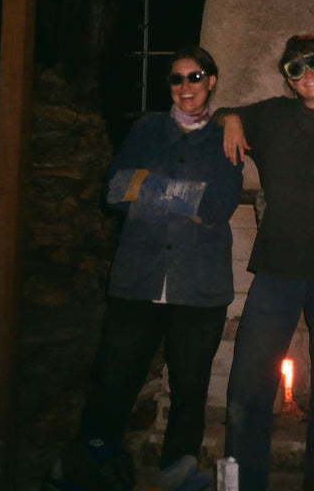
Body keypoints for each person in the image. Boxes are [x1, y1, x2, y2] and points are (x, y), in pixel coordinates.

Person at [46, 45, 243, 491]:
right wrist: (183, 195)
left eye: (195, 77)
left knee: (190, 391)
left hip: (199, 288)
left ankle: (178, 472)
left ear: (211, 81)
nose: (185, 87)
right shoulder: (146, 129)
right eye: (176, 79)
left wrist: (148, 188)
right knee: (113, 380)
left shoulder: (225, 138)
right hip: (138, 281)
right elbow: (115, 190)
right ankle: (92, 465)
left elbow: (217, 205)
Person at [218, 34, 314, 491]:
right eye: (295, 68)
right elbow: (227, 112)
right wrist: (230, 118)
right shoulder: (272, 116)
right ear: (288, 79)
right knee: (247, 390)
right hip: (275, 274)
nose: (307, 74)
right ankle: (245, 484)